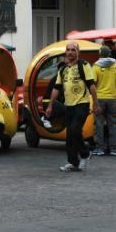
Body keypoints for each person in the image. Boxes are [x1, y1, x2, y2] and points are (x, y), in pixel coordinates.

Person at [46, 42, 99, 172]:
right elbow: (56, 88)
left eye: (73, 50)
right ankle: (73, 162)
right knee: (69, 135)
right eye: (68, 50)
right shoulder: (63, 69)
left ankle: (85, 153)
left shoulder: (84, 65)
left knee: (75, 130)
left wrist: (96, 103)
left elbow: (91, 85)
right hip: (68, 105)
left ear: (77, 52)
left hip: (82, 103)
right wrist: (50, 105)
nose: (70, 52)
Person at [92, 45, 116, 156]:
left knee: (99, 124)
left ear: (100, 54)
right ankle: (114, 149)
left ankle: (100, 148)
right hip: (111, 98)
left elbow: (93, 83)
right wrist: (114, 85)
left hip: (100, 98)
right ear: (109, 54)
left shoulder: (96, 66)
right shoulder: (115, 65)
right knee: (113, 124)